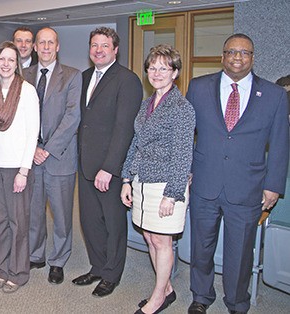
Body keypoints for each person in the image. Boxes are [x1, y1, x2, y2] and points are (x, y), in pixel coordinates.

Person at [186, 33, 289, 314]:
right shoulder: (198, 87)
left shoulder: (275, 95)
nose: (237, 57)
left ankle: (236, 301)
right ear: (222, 56)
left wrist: (274, 186)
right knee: (201, 247)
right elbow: (185, 135)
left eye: (244, 52)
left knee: (240, 253)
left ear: (252, 58)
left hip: (248, 187)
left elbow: (280, 143)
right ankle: (201, 296)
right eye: (231, 51)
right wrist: (187, 170)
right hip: (204, 183)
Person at [120, 44, 195, 314]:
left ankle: (158, 297)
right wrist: (127, 178)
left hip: (165, 185)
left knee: (162, 242)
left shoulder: (182, 108)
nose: (157, 72)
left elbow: (183, 154)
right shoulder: (146, 104)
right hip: (142, 181)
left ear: (175, 72)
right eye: (152, 67)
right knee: (150, 238)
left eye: (164, 68)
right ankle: (167, 289)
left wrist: (172, 193)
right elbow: (135, 143)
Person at [74, 26, 143, 297]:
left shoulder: (127, 80)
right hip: (85, 164)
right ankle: (97, 267)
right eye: (94, 45)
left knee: (113, 223)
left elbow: (124, 128)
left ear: (115, 49)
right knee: (91, 222)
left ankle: (112, 274)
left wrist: (110, 168)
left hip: (109, 168)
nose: (98, 50)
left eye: (104, 45)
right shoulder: (84, 77)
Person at [23, 27, 81, 285]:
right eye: (41, 43)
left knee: (61, 214)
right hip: (30, 157)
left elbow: (72, 117)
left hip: (60, 157)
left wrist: (47, 148)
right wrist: (32, 147)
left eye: (51, 43)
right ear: (35, 47)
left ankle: (58, 260)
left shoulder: (72, 76)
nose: (45, 47)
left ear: (57, 46)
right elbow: (19, 115)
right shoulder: (22, 75)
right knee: (33, 211)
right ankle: (36, 253)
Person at [0, 41, 39, 293]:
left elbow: (32, 133)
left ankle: (18, 273)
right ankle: (2, 269)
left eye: (10, 59)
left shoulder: (27, 91)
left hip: (17, 167)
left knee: (18, 223)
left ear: (16, 63)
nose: (6, 64)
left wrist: (23, 171)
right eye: (1, 59)